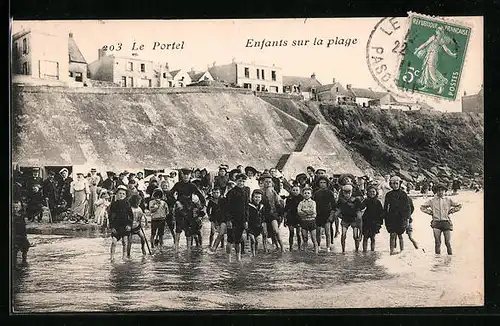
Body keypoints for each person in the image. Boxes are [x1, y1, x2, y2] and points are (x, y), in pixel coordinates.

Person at [420, 183, 462, 255]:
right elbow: (422, 207)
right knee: (437, 242)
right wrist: (430, 212)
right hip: (436, 223)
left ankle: (450, 259)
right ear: (436, 191)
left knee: (448, 242)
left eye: (442, 190)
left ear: (445, 191)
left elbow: (459, 205)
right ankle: (438, 260)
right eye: (439, 190)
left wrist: (452, 211)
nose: (440, 192)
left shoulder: (448, 200)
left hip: (446, 222)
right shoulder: (432, 201)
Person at [384, 176, 412, 255]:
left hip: (401, 217)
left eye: (397, 183)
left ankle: (402, 250)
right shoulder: (388, 194)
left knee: (400, 235)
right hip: (391, 217)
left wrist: (407, 219)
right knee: (392, 234)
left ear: (400, 184)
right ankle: (392, 250)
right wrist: (385, 218)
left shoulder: (403, 194)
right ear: (391, 185)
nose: (395, 185)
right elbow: (386, 207)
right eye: (393, 184)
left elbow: (408, 208)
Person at [225, 173, 250, 261]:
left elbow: (246, 208)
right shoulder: (231, 193)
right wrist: (228, 220)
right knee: (230, 239)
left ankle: (238, 258)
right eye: (239, 181)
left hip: (241, 220)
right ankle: (229, 259)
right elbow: (227, 208)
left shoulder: (245, 193)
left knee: (238, 239)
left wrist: (246, 221)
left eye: (243, 181)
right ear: (236, 181)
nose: (241, 183)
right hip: (232, 219)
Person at [335, 184, 365, 253]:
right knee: (343, 235)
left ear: (351, 192)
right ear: (343, 192)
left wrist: (358, 215)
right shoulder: (341, 200)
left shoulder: (356, 200)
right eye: (345, 193)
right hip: (345, 219)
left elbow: (362, 209)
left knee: (355, 236)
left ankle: (357, 249)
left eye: (349, 193)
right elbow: (337, 210)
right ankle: (343, 250)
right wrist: (339, 216)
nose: (347, 195)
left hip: (354, 220)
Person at [260, 173, 284, 252]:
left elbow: (279, 203)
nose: (268, 183)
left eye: (269, 182)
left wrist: (280, 214)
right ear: (263, 183)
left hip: (273, 214)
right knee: (265, 232)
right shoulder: (260, 192)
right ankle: (265, 249)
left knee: (276, 231)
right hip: (263, 215)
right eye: (266, 182)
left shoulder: (273, 192)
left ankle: (281, 247)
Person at [108, 185, 134, 261]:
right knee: (113, 242)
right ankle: (112, 257)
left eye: (123, 194)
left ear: (125, 195)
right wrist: (112, 227)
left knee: (125, 242)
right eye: (120, 193)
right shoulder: (113, 204)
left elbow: (131, 216)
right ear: (116, 194)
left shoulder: (127, 204)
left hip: (125, 226)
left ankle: (124, 257)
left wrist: (129, 225)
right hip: (116, 226)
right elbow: (110, 216)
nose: (121, 195)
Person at [312, 176, 337, 252]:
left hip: (327, 213)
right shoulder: (316, 193)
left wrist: (331, 215)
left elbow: (333, 206)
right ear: (318, 184)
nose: (322, 184)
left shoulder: (330, 193)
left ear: (327, 184)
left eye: (324, 183)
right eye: (321, 183)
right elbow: (313, 204)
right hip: (318, 214)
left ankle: (328, 247)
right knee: (318, 231)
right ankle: (318, 246)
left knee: (327, 231)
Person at [361, 186, 384, 252]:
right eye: (370, 192)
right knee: (365, 237)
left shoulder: (378, 202)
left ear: (376, 192)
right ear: (367, 193)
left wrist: (380, 222)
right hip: (366, 221)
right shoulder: (365, 200)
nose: (372, 193)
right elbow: (361, 207)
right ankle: (364, 251)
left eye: (373, 192)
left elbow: (381, 212)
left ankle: (372, 251)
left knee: (373, 238)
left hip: (375, 222)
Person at [297, 186, 318, 253]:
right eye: (305, 193)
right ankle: (305, 251)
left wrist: (304, 211)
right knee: (305, 238)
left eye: (308, 193)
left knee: (313, 238)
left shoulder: (313, 202)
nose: (306, 194)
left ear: (311, 194)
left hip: (312, 221)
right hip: (304, 221)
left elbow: (313, 211)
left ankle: (316, 251)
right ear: (303, 194)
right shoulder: (301, 203)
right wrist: (308, 212)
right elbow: (299, 212)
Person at [283, 185, 303, 251]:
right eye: (293, 190)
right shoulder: (289, 198)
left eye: (297, 190)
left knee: (298, 233)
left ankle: (299, 247)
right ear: (291, 191)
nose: (295, 191)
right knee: (291, 232)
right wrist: (285, 219)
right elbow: (286, 209)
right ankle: (291, 247)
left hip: (299, 217)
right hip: (290, 217)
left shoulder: (301, 198)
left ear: (299, 191)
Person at [248, 189, 267, 256]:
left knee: (256, 241)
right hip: (251, 226)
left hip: (258, 226)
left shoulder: (262, 206)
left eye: (259, 197)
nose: (257, 198)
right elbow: (247, 215)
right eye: (255, 197)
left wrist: (263, 223)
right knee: (252, 240)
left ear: (261, 198)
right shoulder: (249, 206)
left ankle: (255, 253)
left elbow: (263, 216)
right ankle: (253, 253)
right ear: (252, 197)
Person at [12, 200, 30, 266]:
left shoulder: (22, 216)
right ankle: (14, 264)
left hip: (22, 235)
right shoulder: (12, 216)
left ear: (20, 208)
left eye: (17, 207)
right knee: (15, 250)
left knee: (25, 248)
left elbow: (24, 226)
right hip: (15, 235)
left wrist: (25, 235)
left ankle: (24, 261)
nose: (15, 209)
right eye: (14, 207)